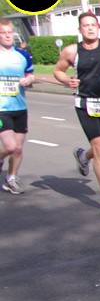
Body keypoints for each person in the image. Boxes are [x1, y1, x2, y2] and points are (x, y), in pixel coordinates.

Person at [53, 11, 100, 216]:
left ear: (98, 27)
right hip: (85, 104)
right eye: (86, 25)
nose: (90, 28)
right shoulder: (71, 51)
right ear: (80, 29)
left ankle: (82, 156)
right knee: (99, 150)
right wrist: (67, 80)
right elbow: (58, 70)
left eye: (93, 25)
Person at [0, 19, 35, 195]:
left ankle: (11, 179)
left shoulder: (22, 55)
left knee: (18, 149)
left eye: (10, 32)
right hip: (1, 108)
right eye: (3, 33)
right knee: (10, 146)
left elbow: (31, 74)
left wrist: (28, 80)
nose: (8, 36)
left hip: (19, 107)